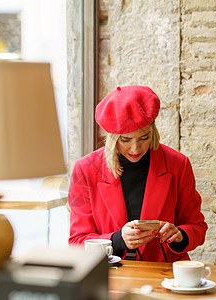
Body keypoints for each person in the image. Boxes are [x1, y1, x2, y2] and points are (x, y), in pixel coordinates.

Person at [68, 85, 207, 262]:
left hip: (164, 273)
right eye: (125, 140)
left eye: (144, 138)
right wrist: (117, 240)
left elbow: (197, 227)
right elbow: (77, 241)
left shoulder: (178, 164)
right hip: (110, 274)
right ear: (113, 137)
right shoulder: (85, 169)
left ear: (153, 132)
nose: (135, 149)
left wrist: (180, 235)